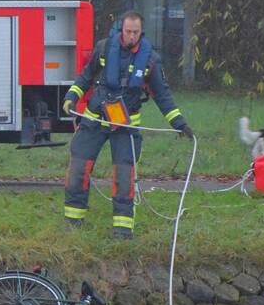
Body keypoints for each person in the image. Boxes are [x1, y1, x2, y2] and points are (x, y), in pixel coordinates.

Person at [61, 12, 193, 239]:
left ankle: (122, 231)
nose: (132, 36)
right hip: (95, 118)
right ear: (120, 30)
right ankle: (73, 222)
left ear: (141, 32)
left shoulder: (150, 60)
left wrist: (179, 123)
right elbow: (86, 76)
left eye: (136, 32)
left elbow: (163, 95)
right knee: (78, 169)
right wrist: (72, 96)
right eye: (128, 31)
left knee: (123, 177)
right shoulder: (103, 49)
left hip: (126, 125)